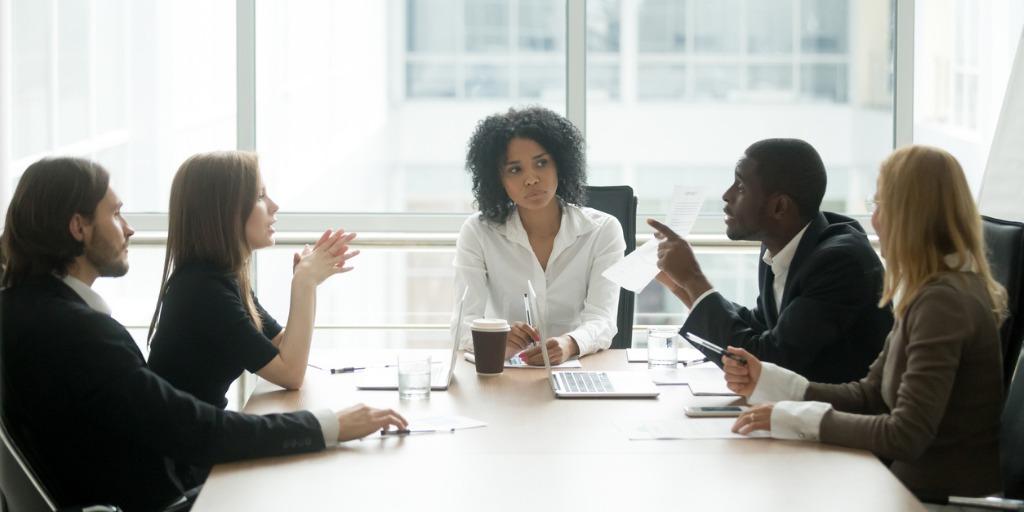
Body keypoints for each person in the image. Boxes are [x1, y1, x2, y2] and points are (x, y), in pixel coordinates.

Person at [0, 157, 406, 511]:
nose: (130, 229)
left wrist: (305, 284)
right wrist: (328, 426)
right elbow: (198, 432)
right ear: (78, 227)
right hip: (162, 497)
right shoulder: (79, 332)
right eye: (116, 214)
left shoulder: (28, 310)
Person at [721, 145, 1006, 499]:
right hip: (906, 486)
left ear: (909, 215)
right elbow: (870, 394)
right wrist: (770, 382)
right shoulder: (931, 290)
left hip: (933, 497)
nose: (874, 220)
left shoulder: (942, 303)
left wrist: (797, 419)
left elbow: (905, 434)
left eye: (880, 206)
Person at [650, 138, 892, 383]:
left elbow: (769, 362)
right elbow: (759, 327)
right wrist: (680, 285)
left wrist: (694, 278)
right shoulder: (780, 245)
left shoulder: (840, 263)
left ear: (779, 207)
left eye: (741, 187)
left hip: (843, 415)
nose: (726, 195)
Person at [147, 151, 357, 410]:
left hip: (196, 436)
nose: (274, 205)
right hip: (177, 446)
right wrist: (304, 283)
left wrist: (307, 281)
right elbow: (290, 373)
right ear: (223, 211)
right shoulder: (203, 291)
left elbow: (284, 344)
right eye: (260, 196)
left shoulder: (222, 278)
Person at [452, 106, 625, 365]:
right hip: (506, 374)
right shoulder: (478, 232)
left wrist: (570, 343)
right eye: (514, 170)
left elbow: (603, 319)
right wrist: (498, 336)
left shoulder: (602, 230)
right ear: (498, 179)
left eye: (541, 163)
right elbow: (462, 325)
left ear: (560, 165)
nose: (531, 179)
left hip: (578, 369)